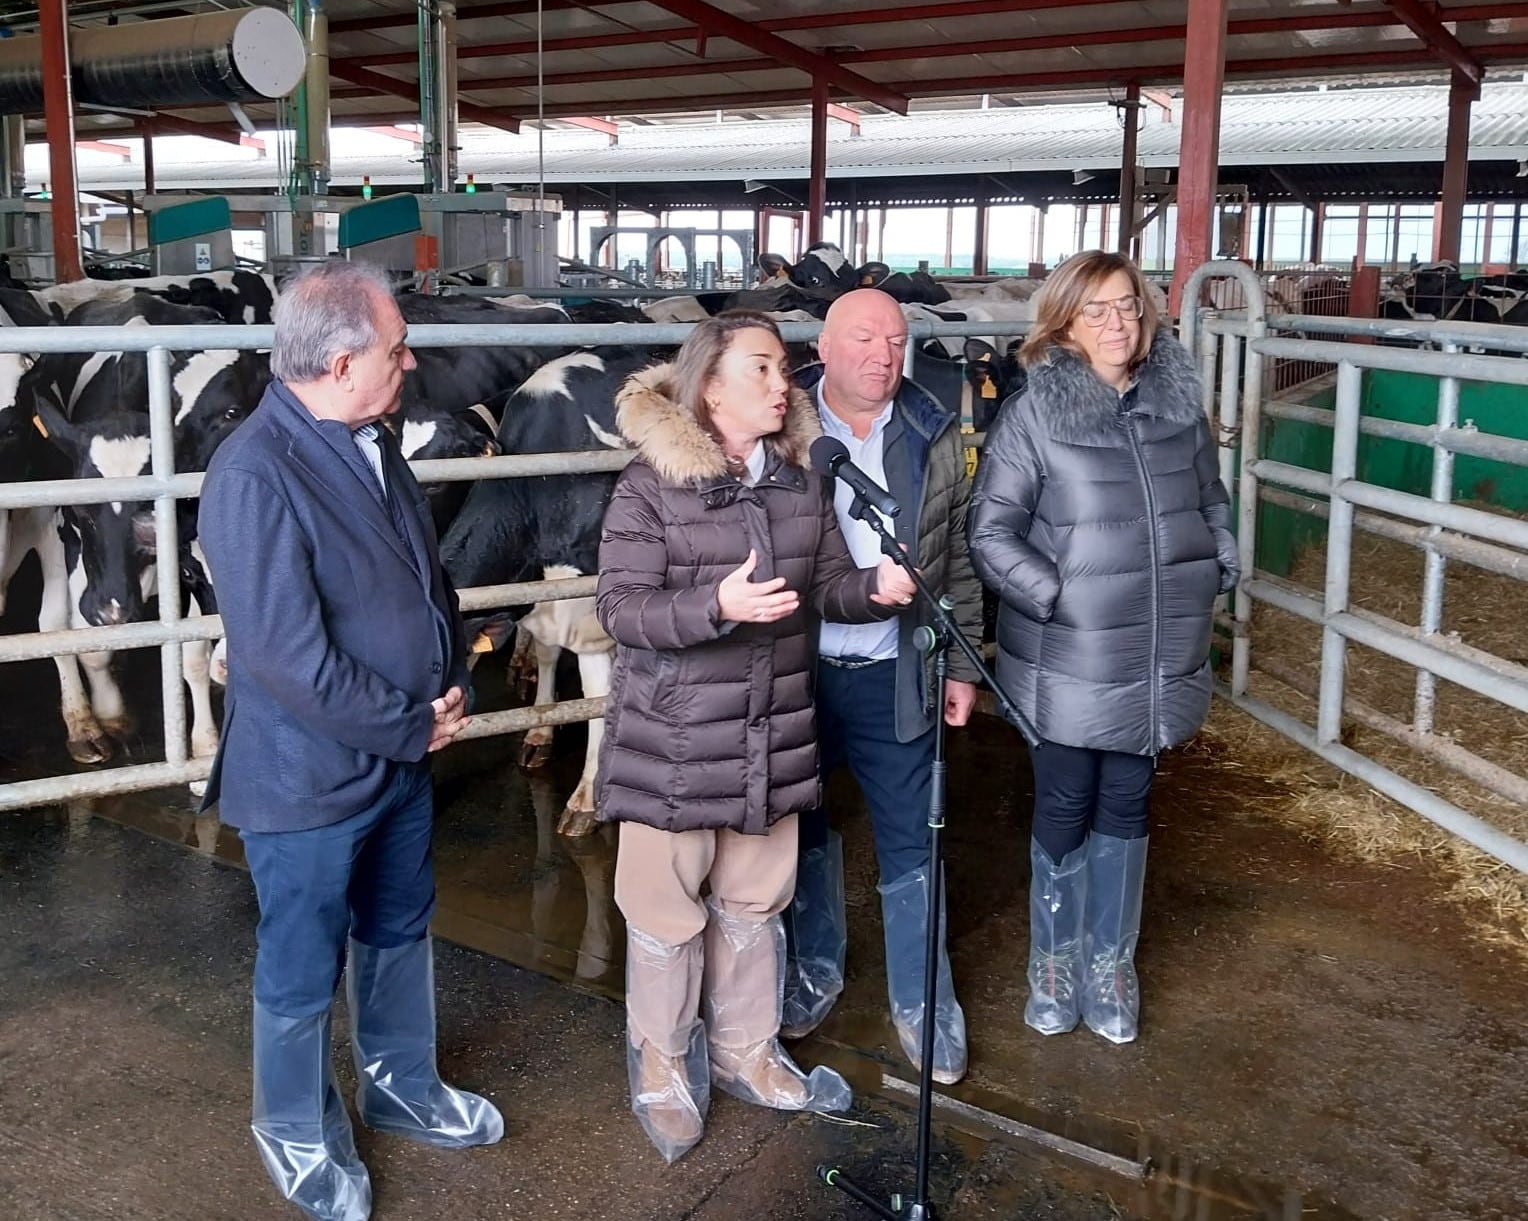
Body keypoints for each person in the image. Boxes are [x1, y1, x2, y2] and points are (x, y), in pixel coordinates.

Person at [198, 261, 502, 1221]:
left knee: (398, 922)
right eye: (395, 348)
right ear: (338, 363)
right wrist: (409, 722)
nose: (409, 361)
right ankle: (292, 1128)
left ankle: (399, 1084)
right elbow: (285, 657)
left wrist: (448, 668)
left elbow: (423, 572)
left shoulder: (367, 436)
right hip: (310, 776)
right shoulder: (252, 474)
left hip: (400, 755)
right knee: (301, 953)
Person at [596, 309, 917, 1163]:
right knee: (665, 911)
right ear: (709, 385)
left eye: (784, 370)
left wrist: (874, 590)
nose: (785, 385)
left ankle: (745, 1049)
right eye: (765, 370)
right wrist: (715, 607)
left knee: (755, 900)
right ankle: (663, 1068)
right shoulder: (649, 485)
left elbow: (826, 588)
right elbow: (620, 611)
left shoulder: (800, 482)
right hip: (674, 739)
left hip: (770, 728)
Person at [966, 251, 1239, 1045]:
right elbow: (991, 533)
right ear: (1063, 324)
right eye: (1097, 311)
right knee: (1063, 797)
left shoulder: (1178, 406)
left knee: (1128, 800)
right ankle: (1053, 962)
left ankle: (1109, 962)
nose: (1117, 323)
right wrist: (1058, 597)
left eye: (1128, 306)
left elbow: (1212, 499)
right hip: (1069, 654)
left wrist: (1216, 564)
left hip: (1157, 650)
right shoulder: (1035, 415)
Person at [786, 288, 984, 1086]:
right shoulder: (781, 423)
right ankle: (813, 969)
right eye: (866, 339)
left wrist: (964, 665)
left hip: (895, 668)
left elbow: (957, 551)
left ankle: (923, 1001)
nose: (885, 356)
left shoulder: (933, 428)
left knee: (914, 834)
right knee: (799, 825)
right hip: (794, 669)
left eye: (898, 341)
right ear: (824, 349)